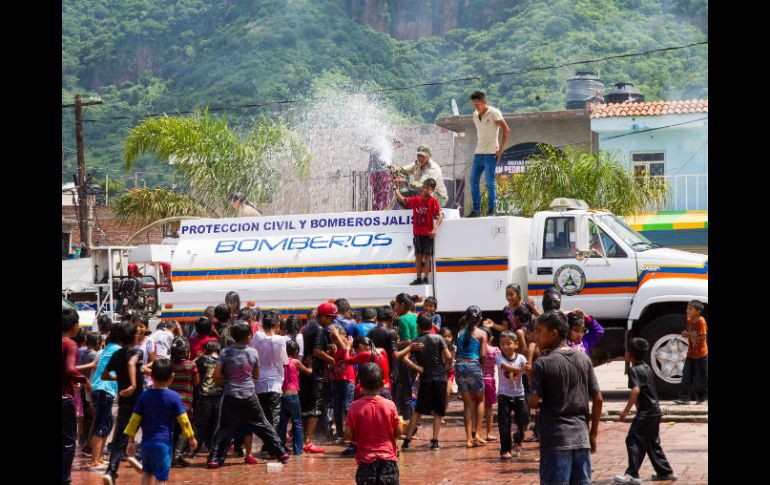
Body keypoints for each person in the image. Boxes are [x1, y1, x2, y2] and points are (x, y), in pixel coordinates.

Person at [529, 310, 603, 485]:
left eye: (540, 331)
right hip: (581, 438)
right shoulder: (583, 359)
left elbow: (534, 401)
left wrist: (532, 383)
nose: (537, 336)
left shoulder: (542, 363)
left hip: (555, 440)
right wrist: (593, 435)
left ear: (554, 333)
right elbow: (598, 398)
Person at [207, 321, 289, 468]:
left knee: (225, 428)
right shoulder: (252, 352)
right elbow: (256, 375)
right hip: (249, 395)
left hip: (231, 395)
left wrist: (228, 379)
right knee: (263, 425)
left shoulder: (225, 352)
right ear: (249, 337)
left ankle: (215, 459)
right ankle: (281, 452)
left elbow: (217, 375)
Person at [613, 338, 678, 484]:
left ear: (629, 354)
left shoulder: (634, 370)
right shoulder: (647, 367)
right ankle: (665, 472)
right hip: (655, 410)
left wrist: (625, 411)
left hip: (646, 412)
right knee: (651, 441)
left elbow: (636, 391)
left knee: (633, 440)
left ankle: (632, 475)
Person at [124, 358, 197, 485]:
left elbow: (134, 421)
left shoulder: (144, 396)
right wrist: (191, 437)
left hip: (146, 444)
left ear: (151, 376)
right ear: (171, 377)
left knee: (147, 473)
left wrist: (130, 441)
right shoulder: (174, 397)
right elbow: (184, 420)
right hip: (164, 445)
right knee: (160, 478)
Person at [344, 363, 404, 485]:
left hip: (365, 462)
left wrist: (358, 440)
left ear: (360, 386)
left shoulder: (354, 406)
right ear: (382, 384)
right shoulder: (390, 405)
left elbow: (348, 434)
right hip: (388, 462)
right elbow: (399, 431)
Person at [102, 321, 146, 484]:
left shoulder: (116, 354)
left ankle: (111, 471)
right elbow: (131, 363)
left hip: (124, 402)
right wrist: (133, 385)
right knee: (150, 429)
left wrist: (119, 378)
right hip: (140, 400)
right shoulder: (137, 352)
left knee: (120, 437)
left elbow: (105, 375)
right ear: (134, 336)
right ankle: (138, 456)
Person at [401, 313, 452, 452]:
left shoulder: (416, 341)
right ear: (431, 326)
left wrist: (418, 368)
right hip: (440, 378)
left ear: (418, 326)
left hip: (426, 379)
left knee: (417, 412)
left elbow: (404, 358)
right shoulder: (438, 338)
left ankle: (406, 441)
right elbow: (448, 356)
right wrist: (446, 368)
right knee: (438, 412)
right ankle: (435, 442)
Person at [299, 302, 338, 454]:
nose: (332, 321)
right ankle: (308, 441)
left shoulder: (309, 326)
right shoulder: (320, 329)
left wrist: (329, 348)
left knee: (306, 408)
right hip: (315, 373)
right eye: (330, 318)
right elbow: (316, 351)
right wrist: (331, 359)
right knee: (315, 408)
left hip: (306, 371)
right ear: (322, 316)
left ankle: (303, 439)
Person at [250, 311, 289, 459]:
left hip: (258, 381)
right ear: (277, 325)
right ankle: (272, 448)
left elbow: (253, 354)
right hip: (274, 383)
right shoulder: (280, 340)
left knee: (264, 416)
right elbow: (285, 360)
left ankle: (268, 446)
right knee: (274, 417)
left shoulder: (257, 337)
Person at [392, 178, 443, 285]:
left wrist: (435, 229)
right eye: (424, 187)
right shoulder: (416, 200)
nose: (425, 190)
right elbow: (402, 199)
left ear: (432, 190)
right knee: (418, 256)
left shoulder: (433, 201)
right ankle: (418, 278)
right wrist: (395, 188)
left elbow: (440, 216)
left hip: (428, 234)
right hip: (417, 233)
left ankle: (426, 277)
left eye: (427, 188)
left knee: (427, 256)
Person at [468, 91, 510, 217]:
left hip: (491, 154)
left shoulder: (494, 113)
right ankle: (476, 210)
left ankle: (492, 211)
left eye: (478, 104)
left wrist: (500, 150)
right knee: (473, 181)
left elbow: (506, 130)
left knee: (489, 183)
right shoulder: (475, 115)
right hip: (478, 153)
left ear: (484, 102)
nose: (476, 107)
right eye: (474, 105)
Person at [87, 326, 121, 471]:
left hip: (101, 389)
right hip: (103, 390)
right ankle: (94, 461)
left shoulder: (109, 348)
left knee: (106, 424)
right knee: (102, 425)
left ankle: (99, 458)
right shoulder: (117, 349)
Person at [455, 305, 489, 448]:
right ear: (480, 319)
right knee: (480, 400)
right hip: (473, 366)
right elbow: (482, 355)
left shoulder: (459, 333)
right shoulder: (482, 333)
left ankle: (468, 439)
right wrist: (482, 368)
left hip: (459, 366)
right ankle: (478, 434)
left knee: (467, 404)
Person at [63, 309, 89, 485]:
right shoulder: (70, 344)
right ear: (74, 326)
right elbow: (70, 369)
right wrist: (85, 380)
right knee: (67, 442)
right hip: (64, 398)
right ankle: (65, 478)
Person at [495, 330, 528, 459]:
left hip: (519, 394)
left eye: (509, 344)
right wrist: (521, 370)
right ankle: (505, 449)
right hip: (504, 395)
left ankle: (518, 439)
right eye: (502, 344)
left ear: (516, 344)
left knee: (524, 420)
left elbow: (527, 370)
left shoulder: (521, 358)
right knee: (504, 424)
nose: (506, 347)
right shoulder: (499, 357)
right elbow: (504, 366)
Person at [277, 340, 313, 455]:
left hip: (282, 395)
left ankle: (281, 448)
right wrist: (310, 364)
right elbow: (309, 372)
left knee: (282, 422)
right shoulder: (296, 362)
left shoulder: (281, 362)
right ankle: (298, 450)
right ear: (296, 351)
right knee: (297, 422)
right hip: (293, 395)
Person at [168, 338, 199, 467]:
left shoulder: (168, 365)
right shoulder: (191, 365)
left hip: (169, 402)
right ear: (185, 352)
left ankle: (172, 455)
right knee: (184, 429)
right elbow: (196, 382)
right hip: (185, 404)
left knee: (173, 429)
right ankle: (177, 455)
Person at [327, 324, 357, 447]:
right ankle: (340, 434)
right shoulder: (334, 348)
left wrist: (339, 336)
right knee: (337, 409)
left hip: (347, 380)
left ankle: (352, 434)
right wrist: (330, 354)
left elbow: (346, 349)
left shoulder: (348, 345)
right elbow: (330, 366)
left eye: (339, 337)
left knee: (346, 407)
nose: (338, 339)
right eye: (334, 337)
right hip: (336, 380)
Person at [392, 293, 419, 420]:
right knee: (412, 390)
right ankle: (413, 422)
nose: (395, 308)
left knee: (406, 393)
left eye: (396, 305)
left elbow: (408, 341)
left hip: (407, 358)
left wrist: (396, 344)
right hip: (417, 358)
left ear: (402, 304)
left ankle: (409, 424)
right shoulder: (416, 317)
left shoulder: (402, 319)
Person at [193, 340, 222, 457]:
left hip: (203, 396)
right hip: (218, 397)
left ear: (206, 350)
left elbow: (191, 364)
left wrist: (198, 357)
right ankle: (213, 449)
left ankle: (194, 449)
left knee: (200, 425)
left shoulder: (201, 360)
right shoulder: (222, 360)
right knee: (216, 425)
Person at [676, 300, 708, 405]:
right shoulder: (689, 320)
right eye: (687, 308)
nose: (687, 310)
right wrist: (686, 334)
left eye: (690, 309)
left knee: (701, 377)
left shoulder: (701, 321)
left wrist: (689, 335)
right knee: (686, 375)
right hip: (691, 353)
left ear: (697, 311)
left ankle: (702, 397)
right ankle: (685, 398)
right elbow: (691, 333)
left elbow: (703, 336)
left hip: (701, 354)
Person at [364, 138, 404, 211]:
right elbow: (363, 147)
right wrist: (371, 148)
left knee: (384, 192)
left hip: (384, 169)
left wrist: (389, 149)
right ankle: (376, 212)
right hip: (373, 169)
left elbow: (401, 142)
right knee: (375, 192)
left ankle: (384, 211)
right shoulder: (371, 136)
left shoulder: (386, 135)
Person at [481, 326, 500, 442]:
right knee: (489, 408)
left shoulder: (477, 350)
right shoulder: (495, 350)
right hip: (490, 381)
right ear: (491, 338)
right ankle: (488, 433)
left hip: (478, 380)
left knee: (475, 407)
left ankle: (475, 432)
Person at [439, 327, 457, 408]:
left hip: (450, 372)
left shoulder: (454, 348)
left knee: (447, 393)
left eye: (449, 336)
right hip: (440, 372)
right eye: (444, 336)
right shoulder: (437, 348)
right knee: (439, 392)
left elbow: (449, 365)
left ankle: (442, 413)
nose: (447, 338)